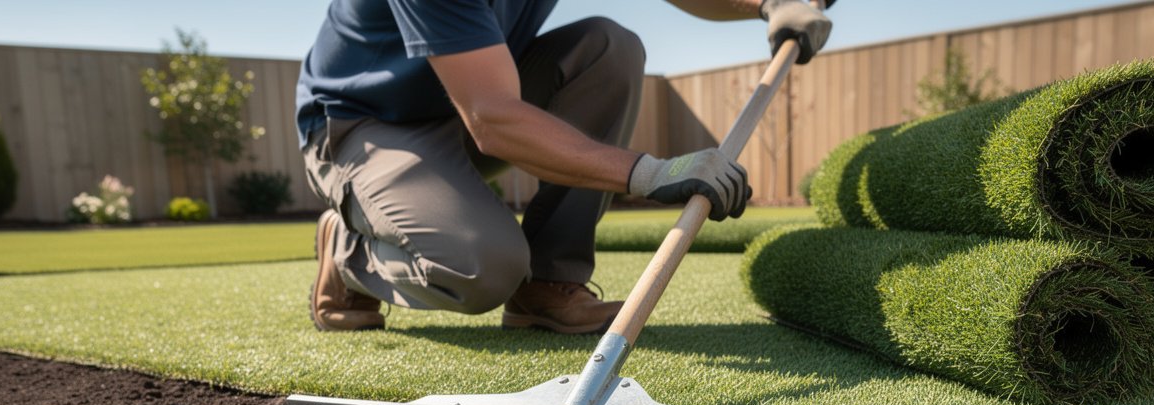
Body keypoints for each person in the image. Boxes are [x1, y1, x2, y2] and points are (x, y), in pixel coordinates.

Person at [298, 0, 834, 333]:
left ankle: (548, 287)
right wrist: (651, 172)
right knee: (483, 268)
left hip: (466, 105)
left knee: (609, 46)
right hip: (365, 124)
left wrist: (768, 2)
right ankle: (348, 251)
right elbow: (493, 118)